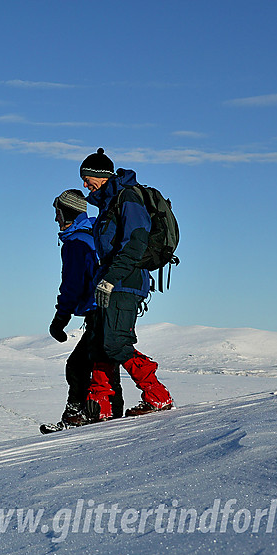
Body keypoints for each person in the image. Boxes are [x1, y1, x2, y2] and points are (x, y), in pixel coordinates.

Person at [80, 148, 174, 417]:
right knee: (99, 341)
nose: (85, 185)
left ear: (102, 176)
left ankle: (158, 395)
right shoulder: (108, 203)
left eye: (88, 179)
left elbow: (135, 243)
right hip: (109, 282)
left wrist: (110, 279)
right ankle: (101, 404)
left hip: (125, 282)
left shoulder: (128, 198)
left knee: (116, 343)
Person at [49, 190, 123, 425]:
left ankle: (76, 415)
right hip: (114, 306)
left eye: (57, 213)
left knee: (78, 365)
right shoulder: (94, 235)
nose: (55, 219)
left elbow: (72, 284)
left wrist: (60, 319)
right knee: (105, 361)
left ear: (65, 212)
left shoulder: (75, 243)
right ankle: (111, 412)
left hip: (97, 309)